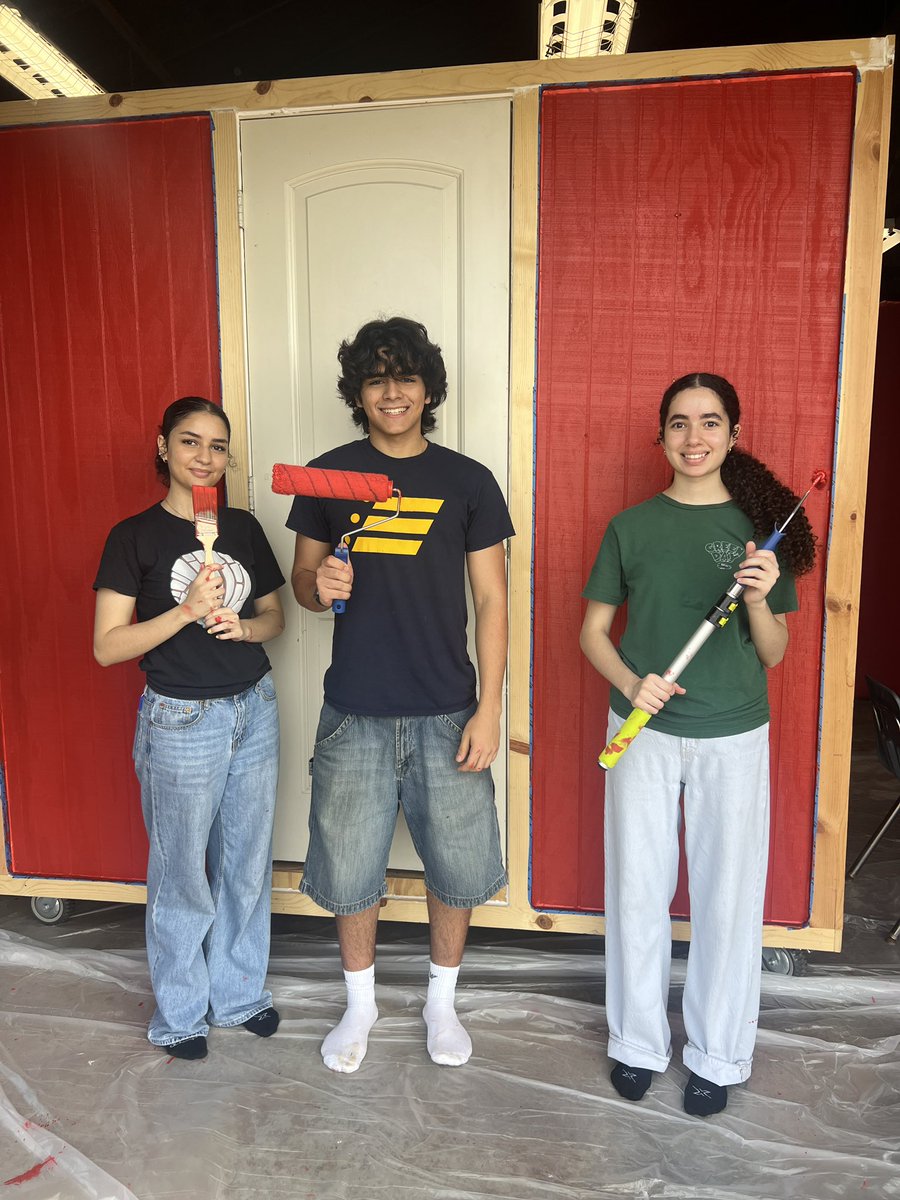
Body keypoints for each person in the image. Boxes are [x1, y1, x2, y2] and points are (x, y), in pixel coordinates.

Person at [579, 372, 816, 1117]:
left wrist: (755, 594)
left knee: (727, 897)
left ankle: (717, 1053)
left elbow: (774, 653)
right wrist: (632, 681)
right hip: (640, 732)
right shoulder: (631, 526)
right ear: (662, 435)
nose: (694, 438)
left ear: (733, 436)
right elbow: (591, 634)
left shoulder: (759, 529)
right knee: (638, 889)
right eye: (679, 423)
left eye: (710, 423)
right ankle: (638, 1044)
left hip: (734, 733)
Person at [287, 316, 513, 1073]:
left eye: (406, 377)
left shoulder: (467, 480)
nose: (393, 391)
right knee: (351, 873)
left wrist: (489, 707)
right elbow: (303, 586)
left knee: (458, 865)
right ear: (359, 390)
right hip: (354, 709)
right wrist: (322, 586)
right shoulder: (326, 474)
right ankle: (362, 1005)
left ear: (428, 389)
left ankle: (440, 1004)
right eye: (378, 378)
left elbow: (492, 600)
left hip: (449, 707)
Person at [93, 396, 286, 1060]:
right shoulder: (134, 537)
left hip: (253, 707)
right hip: (182, 720)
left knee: (245, 865)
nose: (205, 456)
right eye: (190, 442)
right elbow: (107, 646)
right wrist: (183, 611)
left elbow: (274, 621)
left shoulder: (241, 526)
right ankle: (180, 1014)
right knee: (182, 873)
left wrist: (243, 625)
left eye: (217, 446)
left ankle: (238, 994)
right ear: (163, 448)